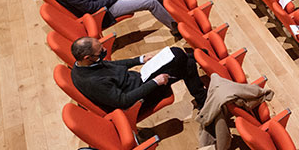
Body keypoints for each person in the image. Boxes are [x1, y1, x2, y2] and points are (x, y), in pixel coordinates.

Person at [70, 36, 207, 115]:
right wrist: (155, 82)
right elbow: (123, 101)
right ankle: (202, 96)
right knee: (183, 60)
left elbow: (112, 65)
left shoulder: (84, 64)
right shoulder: (94, 82)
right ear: (87, 57)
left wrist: (140, 59)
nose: (104, 50)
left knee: (181, 59)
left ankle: (202, 99)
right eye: (100, 51)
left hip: (139, 80)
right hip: (140, 97)